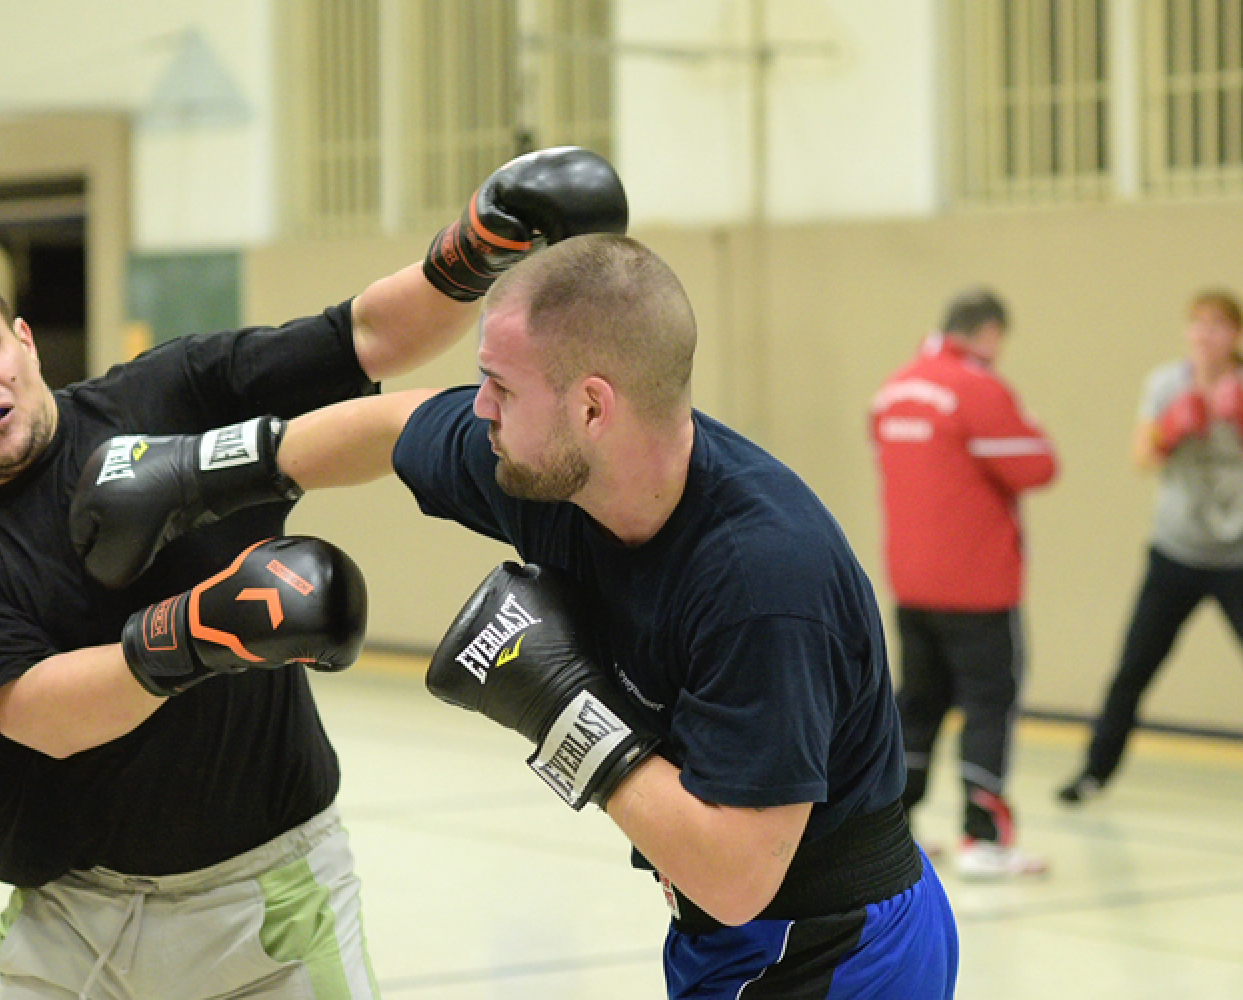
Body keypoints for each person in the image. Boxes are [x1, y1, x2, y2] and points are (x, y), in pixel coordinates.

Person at [73, 234, 959, 998]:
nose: (480, 408)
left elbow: (736, 875)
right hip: (734, 933)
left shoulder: (762, 582)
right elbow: (399, 422)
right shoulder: (550, 471)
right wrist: (204, 472)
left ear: (591, 406)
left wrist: (564, 710)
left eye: (498, 386)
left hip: (836, 947)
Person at [0, 146, 627, 1000]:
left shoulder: (169, 394)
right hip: (71, 925)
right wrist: (204, 627)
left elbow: (363, 338)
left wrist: (475, 248)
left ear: (24, 341)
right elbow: (41, 714)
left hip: (272, 900)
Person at [868, 288, 1058, 879]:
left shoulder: (892, 389)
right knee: (988, 704)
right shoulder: (976, 387)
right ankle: (984, 837)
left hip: (912, 584)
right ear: (989, 333)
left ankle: (893, 833)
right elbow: (1038, 464)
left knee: (917, 708)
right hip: (977, 586)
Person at [1059, 290, 1243, 805]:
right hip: (1175, 551)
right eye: (1198, 325)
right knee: (1134, 667)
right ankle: (1095, 772)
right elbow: (1141, 457)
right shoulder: (1166, 384)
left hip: (1236, 556)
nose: (1206, 336)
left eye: (1218, 326)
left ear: (1235, 335)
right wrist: (1171, 428)